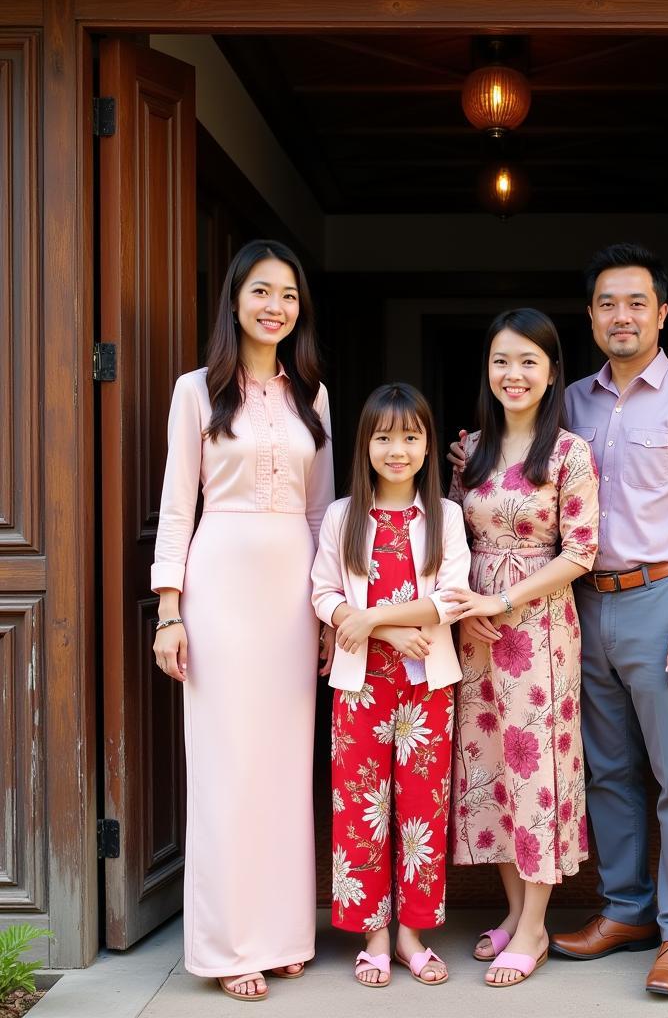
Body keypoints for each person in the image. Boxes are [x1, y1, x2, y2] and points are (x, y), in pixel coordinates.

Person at [451, 245, 668, 997]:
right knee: (608, 770)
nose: (622, 316)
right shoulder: (568, 402)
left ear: (662, 312)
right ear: (591, 316)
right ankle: (626, 911)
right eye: (608, 303)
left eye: (637, 302)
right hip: (579, 609)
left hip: (660, 599)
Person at [151, 239, 334, 1002]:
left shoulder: (313, 396)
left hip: (294, 588)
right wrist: (169, 609)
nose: (275, 307)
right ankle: (227, 943)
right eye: (262, 292)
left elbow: (326, 512)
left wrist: (331, 611)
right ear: (234, 300)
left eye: (288, 295)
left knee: (287, 765)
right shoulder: (196, 390)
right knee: (226, 766)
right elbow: (175, 502)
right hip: (218, 583)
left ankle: (286, 932)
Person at [443, 308, 599, 988]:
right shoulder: (468, 450)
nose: (514, 374)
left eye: (529, 361)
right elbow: (449, 537)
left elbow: (583, 552)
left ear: (551, 372)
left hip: (538, 631)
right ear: (489, 369)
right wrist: (460, 610)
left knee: (537, 771)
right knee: (490, 769)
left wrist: (502, 602)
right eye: (502, 360)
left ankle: (536, 924)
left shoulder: (570, 452)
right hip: (474, 631)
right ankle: (513, 911)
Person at [311, 382, 471, 989]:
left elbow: (451, 599)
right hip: (359, 687)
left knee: (422, 808)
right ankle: (374, 932)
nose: (397, 449)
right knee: (361, 807)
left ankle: (413, 934)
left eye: (410, 436)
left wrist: (377, 621)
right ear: (366, 445)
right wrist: (381, 637)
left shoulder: (446, 517)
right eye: (384, 437)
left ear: (428, 445)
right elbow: (323, 592)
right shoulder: (341, 515)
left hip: (428, 683)